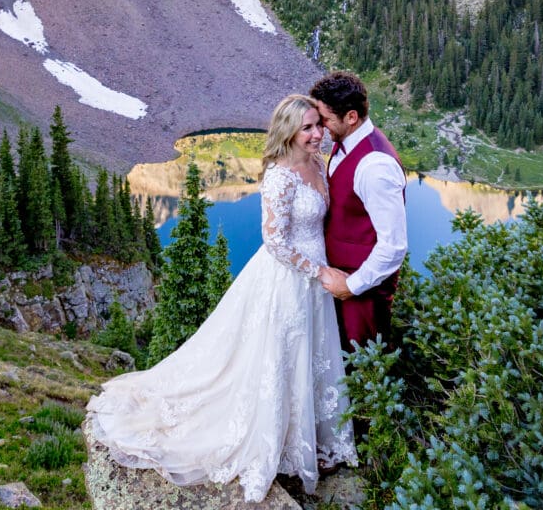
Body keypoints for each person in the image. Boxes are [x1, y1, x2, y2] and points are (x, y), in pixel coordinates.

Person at [86, 94, 356, 503]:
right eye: (308, 128)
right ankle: (277, 443)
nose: (318, 133)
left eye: (319, 124)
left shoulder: (319, 163)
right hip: (287, 281)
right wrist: (320, 271)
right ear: (288, 132)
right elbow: (276, 242)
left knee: (310, 356)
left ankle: (314, 440)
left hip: (314, 283)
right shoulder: (280, 176)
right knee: (277, 358)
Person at [311, 71, 407, 351]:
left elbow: (394, 246)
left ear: (351, 117)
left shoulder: (375, 167)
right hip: (340, 281)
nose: (320, 128)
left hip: (362, 294)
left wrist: (352, 286)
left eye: (326, 120)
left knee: (360, 362)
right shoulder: (347, 144)